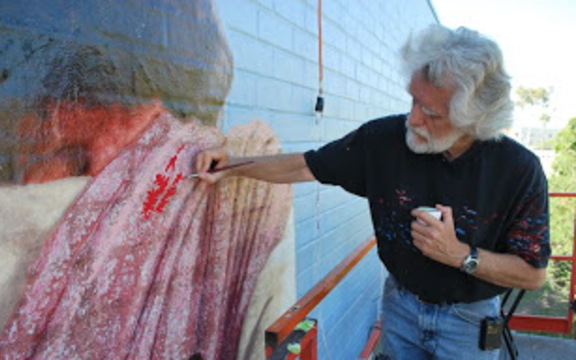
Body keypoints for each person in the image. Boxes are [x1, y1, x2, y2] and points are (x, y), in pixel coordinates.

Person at [193, 24, 551, 359]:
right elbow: (306, 165)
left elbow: (532, 274)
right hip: (400, 306)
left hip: (469, 322)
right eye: (412, 100)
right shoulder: (384, 141)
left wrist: (459, 255)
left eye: (430, 112)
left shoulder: (518, 169)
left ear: (472, 119)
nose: (412, 119)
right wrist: (232, 164)